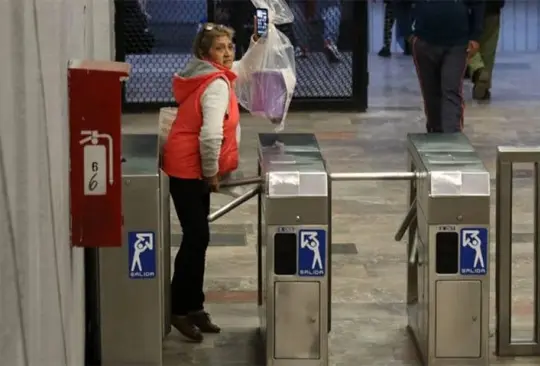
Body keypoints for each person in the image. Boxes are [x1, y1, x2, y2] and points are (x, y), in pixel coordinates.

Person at [162, 22, 259, 342]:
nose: (229, 53)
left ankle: (194, 307)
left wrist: (257, 45)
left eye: (231, 47)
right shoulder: (215, 85)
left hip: (187, 166)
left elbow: (241, 69)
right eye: (221, 48)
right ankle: (177, 308)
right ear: (206, 53)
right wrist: (210, 172)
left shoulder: (206, 73)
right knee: (195, 237)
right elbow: (210, 135)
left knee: (199, 236)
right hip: (189, 170)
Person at [409, 0, 484, 133]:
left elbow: (477, 4)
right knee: (430, 91)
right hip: (424, 40)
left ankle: (452, 135)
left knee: (451, 89)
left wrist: (475, 36)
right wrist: (406, 31)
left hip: (457, 42)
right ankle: (435, 130)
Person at [468, 0, 505, 101]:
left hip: (467, 9)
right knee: (489, 45)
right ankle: (485, 85)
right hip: (492, 7)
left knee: (463, 43)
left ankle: (478, 69)